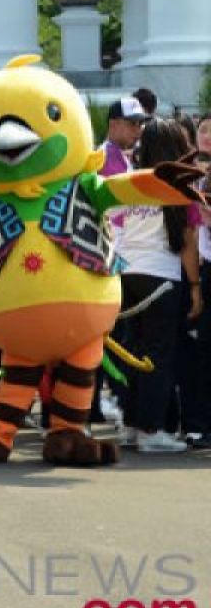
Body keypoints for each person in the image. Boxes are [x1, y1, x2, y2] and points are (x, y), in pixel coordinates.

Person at [118, 118, 202, 453]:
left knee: (132, 352)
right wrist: (195, 286)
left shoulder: (131, 182)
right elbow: (188, 243)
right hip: (160, 278)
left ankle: (131, 425)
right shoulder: (179, 188)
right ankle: (150, 431)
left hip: (126, 276)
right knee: (157, 356)